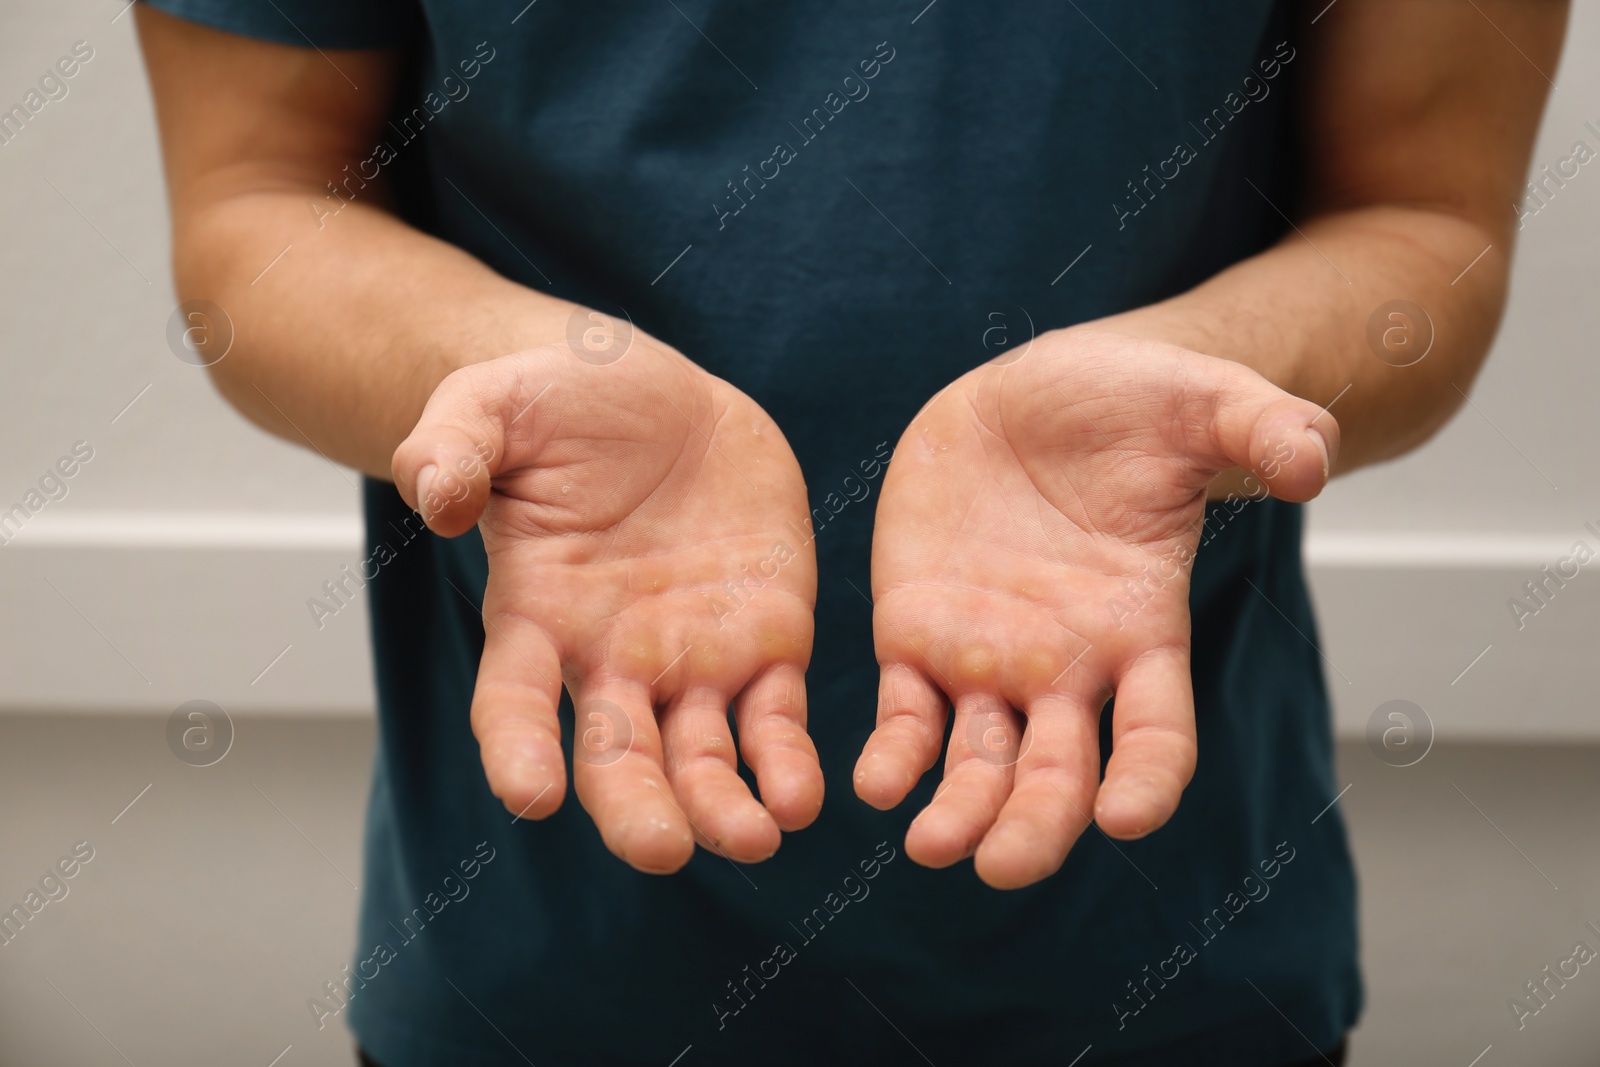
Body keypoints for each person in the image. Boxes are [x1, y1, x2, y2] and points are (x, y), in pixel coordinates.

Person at [133, 1, 1565, 1063]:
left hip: (1166, 962)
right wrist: (508, 364)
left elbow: (1425, 209)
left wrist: (1195, 372)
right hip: (541, 966)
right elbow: (256, 200)